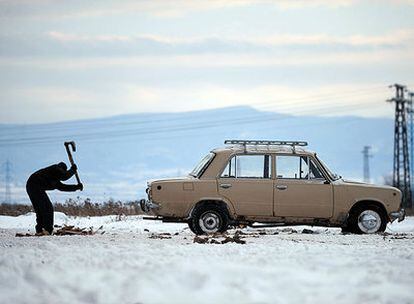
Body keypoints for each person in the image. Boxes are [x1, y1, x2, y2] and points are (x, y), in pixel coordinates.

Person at [26, 162, 83, 235]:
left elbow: (64, 187)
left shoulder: (54, 179)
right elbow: (64, 176)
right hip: (35, 185)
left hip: (31, 186)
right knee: (48, 208)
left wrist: (77, 187)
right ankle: (47, 230)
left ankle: (40, 229)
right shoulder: (56, 168)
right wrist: (72, 170)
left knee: (40, 209)